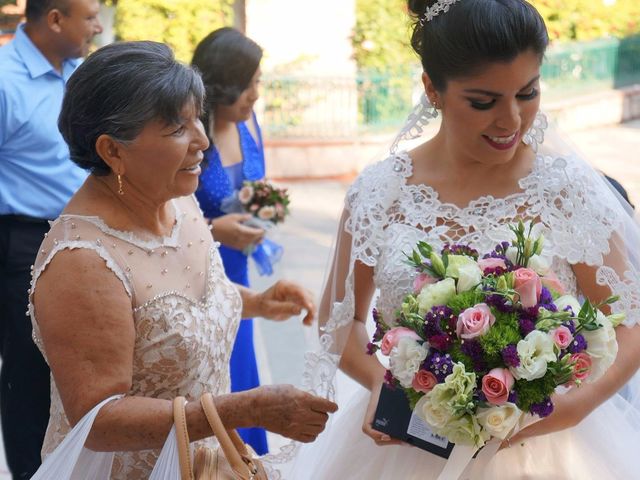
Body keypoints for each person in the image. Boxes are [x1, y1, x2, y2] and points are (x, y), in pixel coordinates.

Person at [265, 1, 640, 478]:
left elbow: (631, 322)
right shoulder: (381, 192)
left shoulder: (563, 189)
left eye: (528, 93)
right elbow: (341, 323)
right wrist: (383, 383)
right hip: (411, 444)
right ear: (431, 89)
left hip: (544, 448)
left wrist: (573, 406)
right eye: (483, 102)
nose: (511, 121)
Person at [28, 40, 337, 479]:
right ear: (112, 151)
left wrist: (257, 302)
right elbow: (97, 420)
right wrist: (245, 408)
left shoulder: (177, 201)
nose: (203, 141)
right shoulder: (82, 261)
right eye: (177, 129)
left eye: (198, 119)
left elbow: (172, 307)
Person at [0, 0, 102, 477]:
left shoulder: (82, 75)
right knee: (31, 374)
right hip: (24, 241)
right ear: (56, 19)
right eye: (90, 16)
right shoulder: (3, 78)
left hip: (91, 237)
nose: (99, 25)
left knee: (85, 371)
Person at [191, 27, 274, 454]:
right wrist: (211, 229)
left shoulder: (250, 124)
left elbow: (257, 185)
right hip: (196, 274)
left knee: (243, 369)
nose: (256, 94)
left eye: (258, 81)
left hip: (239, 266)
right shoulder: (188, 129)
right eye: (248, 83)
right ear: (221, 82)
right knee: (213, 377)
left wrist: (264, 210)